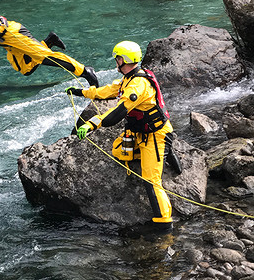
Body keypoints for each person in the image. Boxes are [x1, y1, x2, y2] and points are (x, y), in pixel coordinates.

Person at [69, 40, 180, 235]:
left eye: (118, 58)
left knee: (151, 181)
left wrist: (92, 123)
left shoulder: (138, 84)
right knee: (119, 150)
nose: (116, 62)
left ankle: (164, 225)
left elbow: (117, 114)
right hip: (139, 133)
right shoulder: (129, 78)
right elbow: (109, 91)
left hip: (156, 135)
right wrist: (81, 92)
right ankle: (162, 154)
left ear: (125, 59)